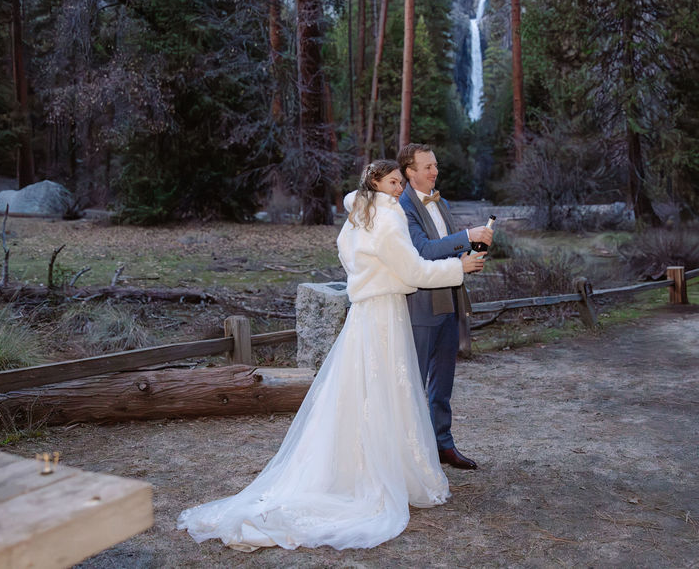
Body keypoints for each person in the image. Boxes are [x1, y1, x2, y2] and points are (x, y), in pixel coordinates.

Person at [177, 160, 485, 551]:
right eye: (392, 182)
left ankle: (353, 466)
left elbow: (352, 261)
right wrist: (458, 267)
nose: (397, 189)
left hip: (363, 314)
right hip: (385, 313)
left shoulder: (355, 218)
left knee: (358, 390)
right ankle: (383, 474)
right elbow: (414, 273)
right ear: (376, 181)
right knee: (387, 389)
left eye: (398, 182)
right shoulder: (388, 218)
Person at [396, 143, 493, 470]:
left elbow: (448, 251)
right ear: (410, 172)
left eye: (435, 165)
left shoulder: (443, 203)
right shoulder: (403, 208)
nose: (434, 171)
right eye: (427, 167)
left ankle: (443, 445)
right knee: (413, 384)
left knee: (443, 385)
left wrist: (472, 255)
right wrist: (467, 234)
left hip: (450, 302)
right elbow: (422, 250)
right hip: (421, 308)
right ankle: (410, 456)